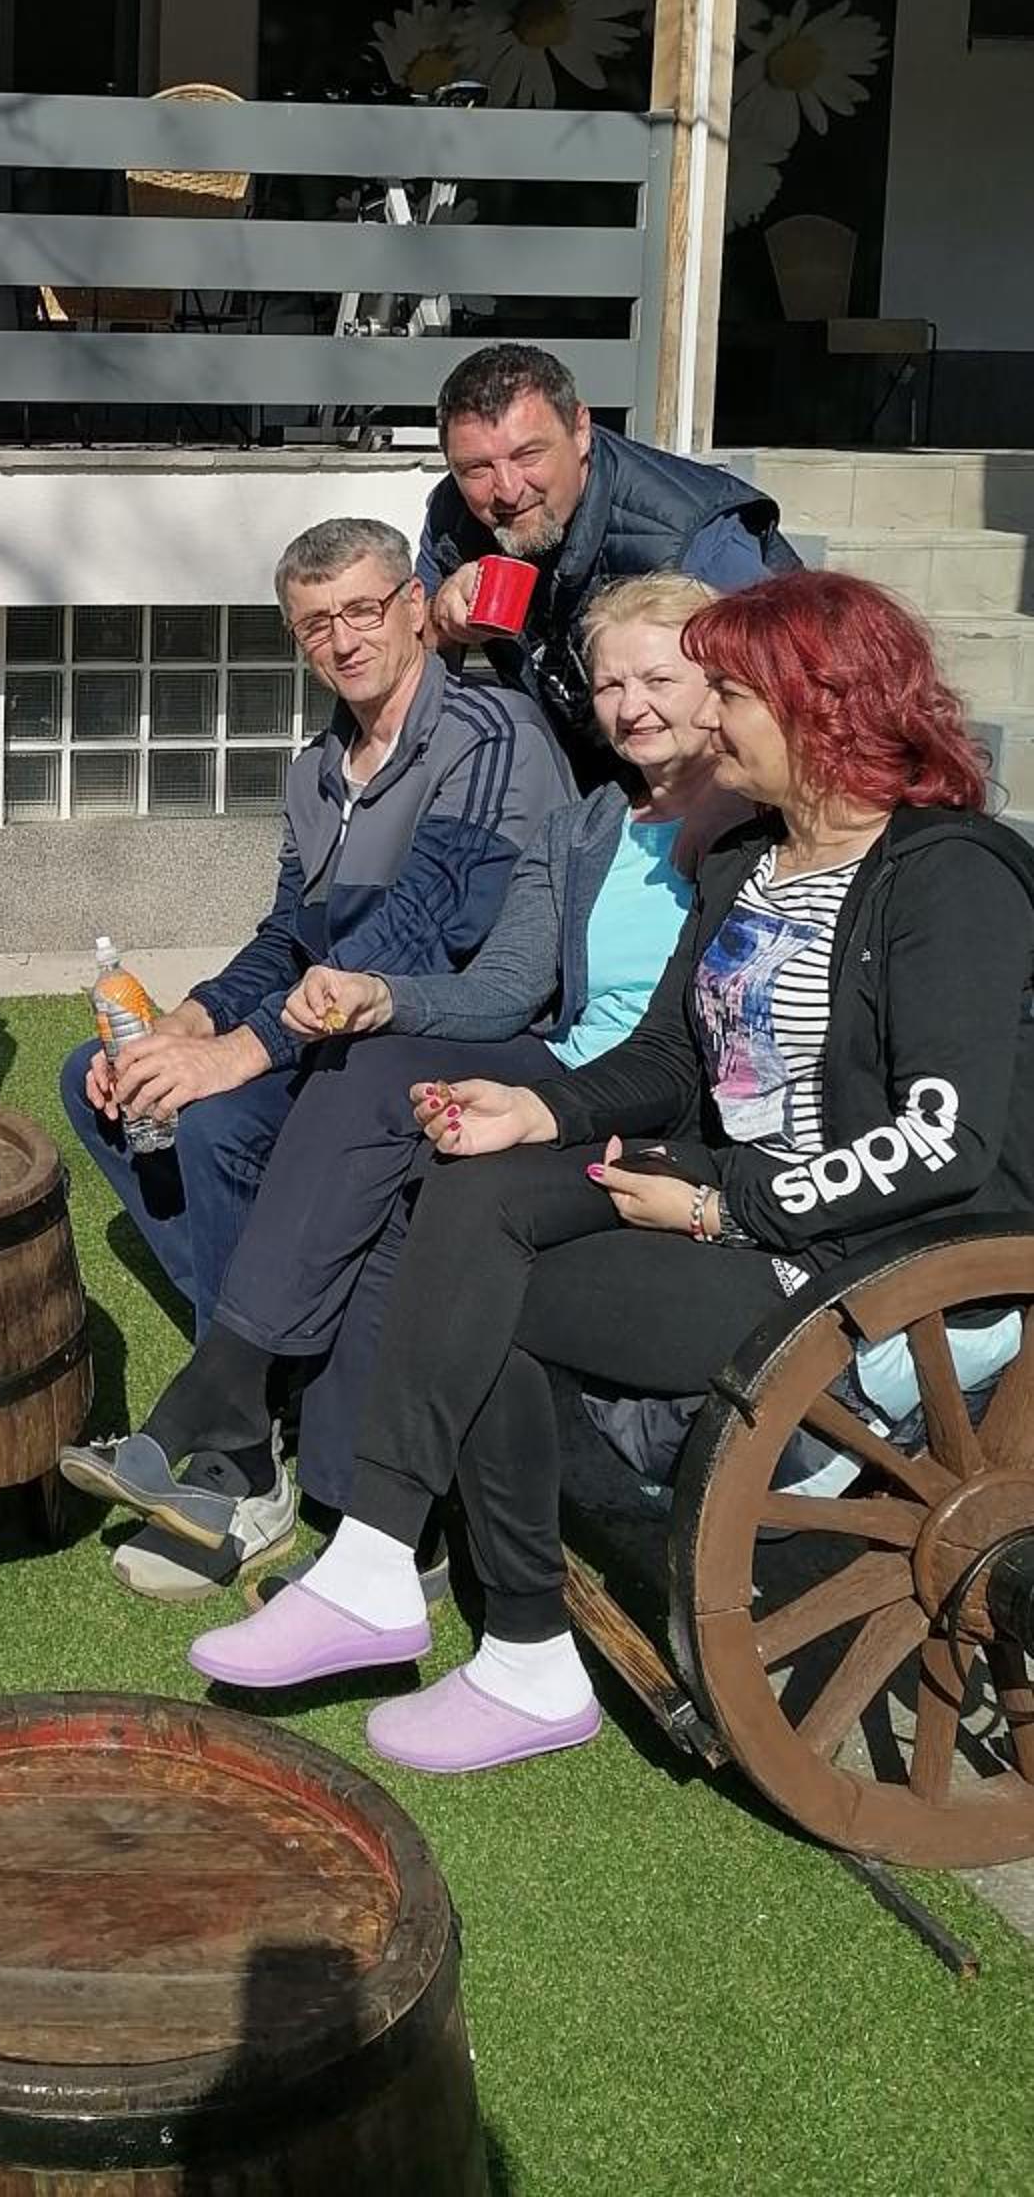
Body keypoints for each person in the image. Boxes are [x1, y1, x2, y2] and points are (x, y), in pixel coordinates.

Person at [183, 570, 1034, 1778]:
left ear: (822, 704)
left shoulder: (951, 872)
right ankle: (395, 1570)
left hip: (867, 1262)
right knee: (473, 1187)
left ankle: (511, 1644)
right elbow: (669, 1058)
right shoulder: (748, 861)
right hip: (747, 1209)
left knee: (493, 1296)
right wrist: (535, 1108)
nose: (702, 715)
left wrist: (722, 1206)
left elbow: (943, 1137)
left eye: (728, 691)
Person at [64, 571, 731, 1596]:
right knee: (358, 1069)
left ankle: (239, 1412)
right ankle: (323, 1487)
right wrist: (372, 999)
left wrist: (259, 1042)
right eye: (609, 685)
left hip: (650, 1098)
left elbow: (464, 939)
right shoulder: (589, 824)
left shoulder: (739, 827)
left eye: (656, 680)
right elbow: (508, 984)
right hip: (558, 1060)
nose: (630, 706)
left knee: (345, 1140)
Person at [55, 516, 573, 1558]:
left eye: (363, 610)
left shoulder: (489, 733)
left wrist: (235, 1055)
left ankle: (237, 1446)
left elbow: (429, 927)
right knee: (98, 1080)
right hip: (333, 1030)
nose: (342, 639)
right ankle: (265, 1385)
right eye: (314, 624)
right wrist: (191, 1020)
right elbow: (291, 937)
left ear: (416, 608)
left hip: (442, 1035)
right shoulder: (315, 768)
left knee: (214, 1122)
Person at [417, 343, 798, 772]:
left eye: (528, 455)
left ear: (581, 431)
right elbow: (404, 669)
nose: (507, 489)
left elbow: (786, 706)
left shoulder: (694, 542)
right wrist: (440, 622)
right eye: (477, 468)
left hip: (688, 786)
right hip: (568, 775)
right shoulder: (455, 515)